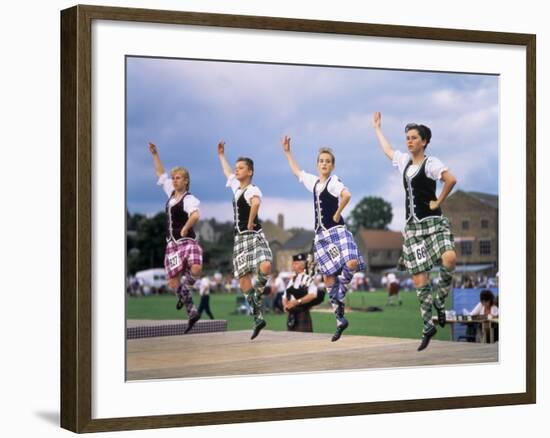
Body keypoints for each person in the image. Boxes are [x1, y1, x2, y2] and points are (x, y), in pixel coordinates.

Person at [372, 112, 457, 351]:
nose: (409, 141)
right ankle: (428, 324)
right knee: (419, 277)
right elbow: (388, 150)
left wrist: (438, 201)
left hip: (432, 223)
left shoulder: (431, 163)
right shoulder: (403, 162)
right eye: (407, 138)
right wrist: (377, 128)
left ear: (424, 141)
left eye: (413, 138)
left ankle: (440, 301)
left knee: (449, 258)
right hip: (412, 228)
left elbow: (451, 180)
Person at [282, 136, 365, 341]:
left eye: (328, 161)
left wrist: (337, 214)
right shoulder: (315, 183)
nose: (324, 163)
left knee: (351, 262)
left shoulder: (334, 182)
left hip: (336, 231)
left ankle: (340, 294)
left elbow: (347, 195)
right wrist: (287, 152)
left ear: (333, 165)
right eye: (321, 161)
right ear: (317, 164)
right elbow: (297, 173)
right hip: (320, 236)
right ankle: (339, 318)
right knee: (328, 277)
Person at [217, 141, 273, 340]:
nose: (236, 170)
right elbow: (227, 174)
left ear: (250, 172)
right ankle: (258, 317)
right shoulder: (237, 188)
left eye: (240, 168)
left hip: (253, 234)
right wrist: (221, 155)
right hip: (239, 239)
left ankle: (257, 295)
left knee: (265, 266)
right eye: (236, 167)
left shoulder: (251, 189)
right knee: (242, 280)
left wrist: (250, 221)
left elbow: (256, 204)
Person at [148, 142, 202, 333]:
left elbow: (195, 215)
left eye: (178, 178)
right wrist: (155, 154)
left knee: (196, 267)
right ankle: (192, 312)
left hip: (187, 241)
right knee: (173, 283)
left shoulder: (189, 199)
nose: (175, 180)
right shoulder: (171, 193)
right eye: (174, 178)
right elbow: (160, 175)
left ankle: (186, 289)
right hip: (172, 244)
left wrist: (187, 227)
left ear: (186, 181)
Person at [283, 253, 326, 332]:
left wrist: (296, 302)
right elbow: (285, 295)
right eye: (294, 263)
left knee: (305, 341)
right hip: (292, 315)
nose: (293, 265)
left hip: (302, 313)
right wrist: (285, 304)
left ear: (302, 266)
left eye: (296, 263)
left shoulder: (308, 278)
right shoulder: (293, 279)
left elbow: (313, 295)